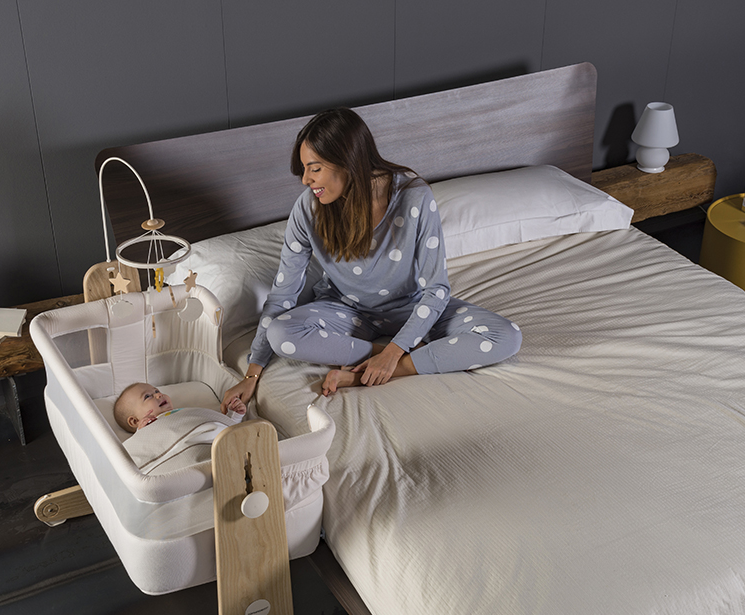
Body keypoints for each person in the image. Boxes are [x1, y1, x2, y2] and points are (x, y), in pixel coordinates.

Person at [220, 107, 521, 412]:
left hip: (411, 308)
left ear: (346, 161)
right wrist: (251, 374)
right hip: (346, 311)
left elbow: (437, 289)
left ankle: (390, 368)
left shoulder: (414, 197)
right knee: (281, 333)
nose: (306, 180)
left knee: (506, 337)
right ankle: (382, 355)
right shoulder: (308, 209)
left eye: (315, 168)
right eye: (304, 170)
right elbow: (283, 295)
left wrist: (394, 354)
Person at [115, 382, 245, 433]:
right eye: (148, 396)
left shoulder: (183, 412)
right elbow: (144, 449)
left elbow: (218, 423)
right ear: (135, 421)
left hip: (215, 436)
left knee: (231, 431)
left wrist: (233, 415)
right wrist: (142, 431)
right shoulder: (149, 430)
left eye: (157, 391)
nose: (159, 395)